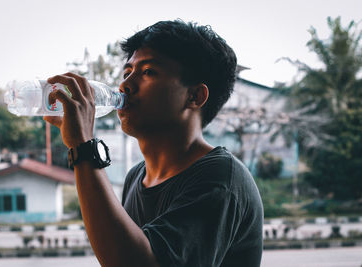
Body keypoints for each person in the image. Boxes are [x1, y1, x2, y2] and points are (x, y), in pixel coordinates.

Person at [44, 20, 263, 267]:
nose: (125, 85)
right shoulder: (137, 176)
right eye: (127, 72)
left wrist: (83, 147)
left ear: (195, 96)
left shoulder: (221, 179)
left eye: (148, 72)